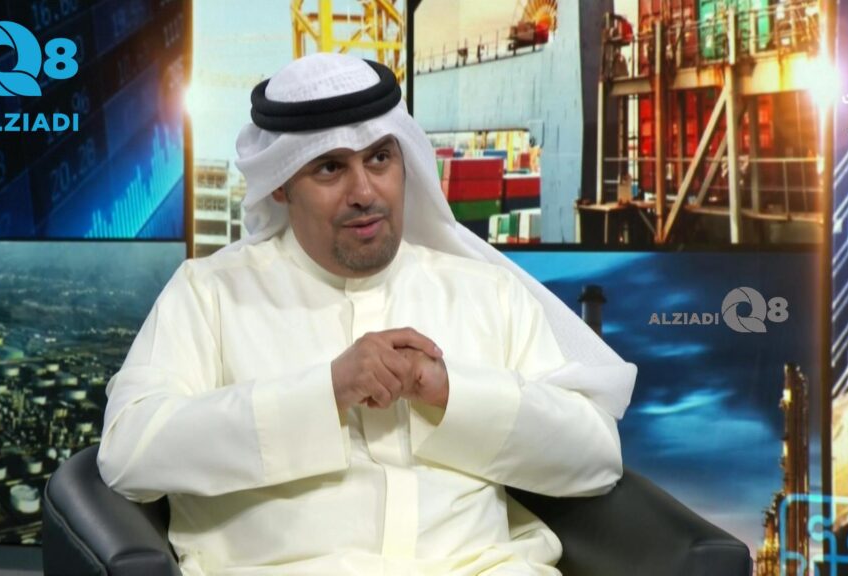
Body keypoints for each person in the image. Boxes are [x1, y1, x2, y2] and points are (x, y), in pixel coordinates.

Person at [97, 53, 637, 576]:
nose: (363, 192)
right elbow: (129, 452)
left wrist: (451, 392)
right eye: (330, 167)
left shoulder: (486, 293)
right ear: (280, 184)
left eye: (380, 159)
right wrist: (325, 392)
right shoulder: (210, 294)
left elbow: (594, 458)